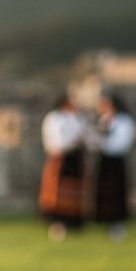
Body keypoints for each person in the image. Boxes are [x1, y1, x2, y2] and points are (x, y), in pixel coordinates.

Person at [38, 92, 90, 241]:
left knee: (74, 193)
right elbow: (57, 141)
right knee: (58, 193)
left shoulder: (77, 118)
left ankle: (73, 223)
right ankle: (57, 224)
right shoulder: (55, 118)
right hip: (60, 158)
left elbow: (86, 135)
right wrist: (72, 141)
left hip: (75, 159)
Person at [91, 92, 136, 240]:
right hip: (104, 160)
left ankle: (117, 223)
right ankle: (105, 221)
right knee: (104, 192)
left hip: (116, 161)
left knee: (116, 192)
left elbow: (121, 144)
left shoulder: (124, 121)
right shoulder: (104, 120)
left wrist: (103, 143)